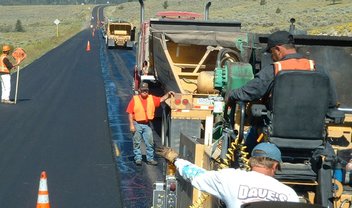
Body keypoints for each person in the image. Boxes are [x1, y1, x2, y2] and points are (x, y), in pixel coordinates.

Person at [226, 30, 337, 152]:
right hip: (314, 137)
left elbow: (248, 92)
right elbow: (331, 103)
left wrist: (231, 95)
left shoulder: (274, 70)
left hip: (275, 135)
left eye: (271, 52)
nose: (272, 57)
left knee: (249, 141)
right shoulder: (318, 69)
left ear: (278, 49)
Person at [156, 142, 300, 208]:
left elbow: (196, 175)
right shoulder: (289, 194)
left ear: (251, 162)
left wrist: (176, 159)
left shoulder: (230, 178)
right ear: (275, 166)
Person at [126, 82, 175, 166]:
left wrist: (168, 94)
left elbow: (161, 99)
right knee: (137, 142)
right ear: (140, 90)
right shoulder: (135, 99)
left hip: (147, 124)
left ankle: (150, 159)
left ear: (148, 90)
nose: (144, 92)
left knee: (150, 143)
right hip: (137, 124)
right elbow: (130, 112)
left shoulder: (151, 98)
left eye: (146, 90)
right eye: (143, 90)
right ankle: (138, 159)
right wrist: (131, 125)